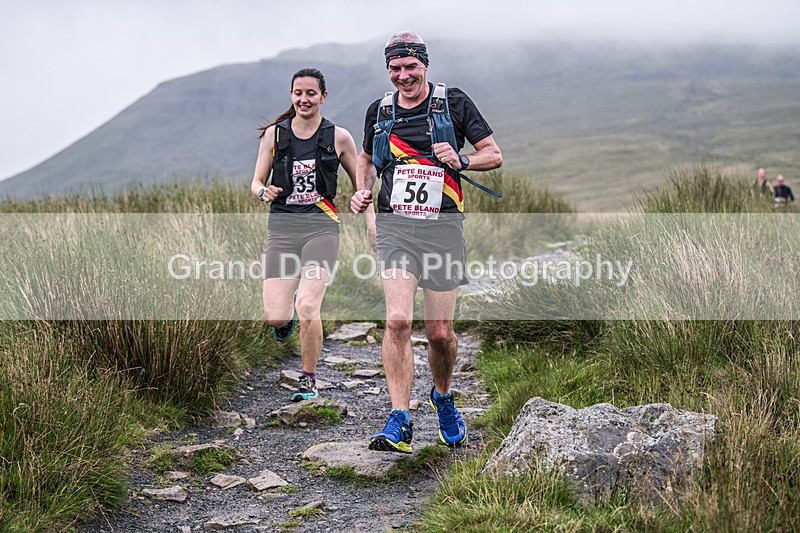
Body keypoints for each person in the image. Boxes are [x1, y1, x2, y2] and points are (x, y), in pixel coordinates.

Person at [350, 32, 502, 453]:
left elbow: (494, 153)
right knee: (397, 320)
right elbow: (365, 158)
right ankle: (399, 418)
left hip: (443, 227)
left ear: (424, 65)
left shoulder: (453, 102)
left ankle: (443, 396)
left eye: (410, 67)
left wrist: (463, 159)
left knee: (439, 333)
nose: (403, 76)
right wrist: (363, 190)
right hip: (395, 226)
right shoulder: (379, 110)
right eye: (395, 69)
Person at [251, 68, 360, 402]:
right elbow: (256, 181)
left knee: (309, 303)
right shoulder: (275, 135)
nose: (304, 99)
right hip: (282, 231)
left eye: (311, 93)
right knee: (277, 316)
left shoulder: (338, 137)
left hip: (321, 229)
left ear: (323, 97)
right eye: (298, 93)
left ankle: (308, 380)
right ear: (291, 95)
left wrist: (370, 220)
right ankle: (289, 319)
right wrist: (262, 192)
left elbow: (363, 186)